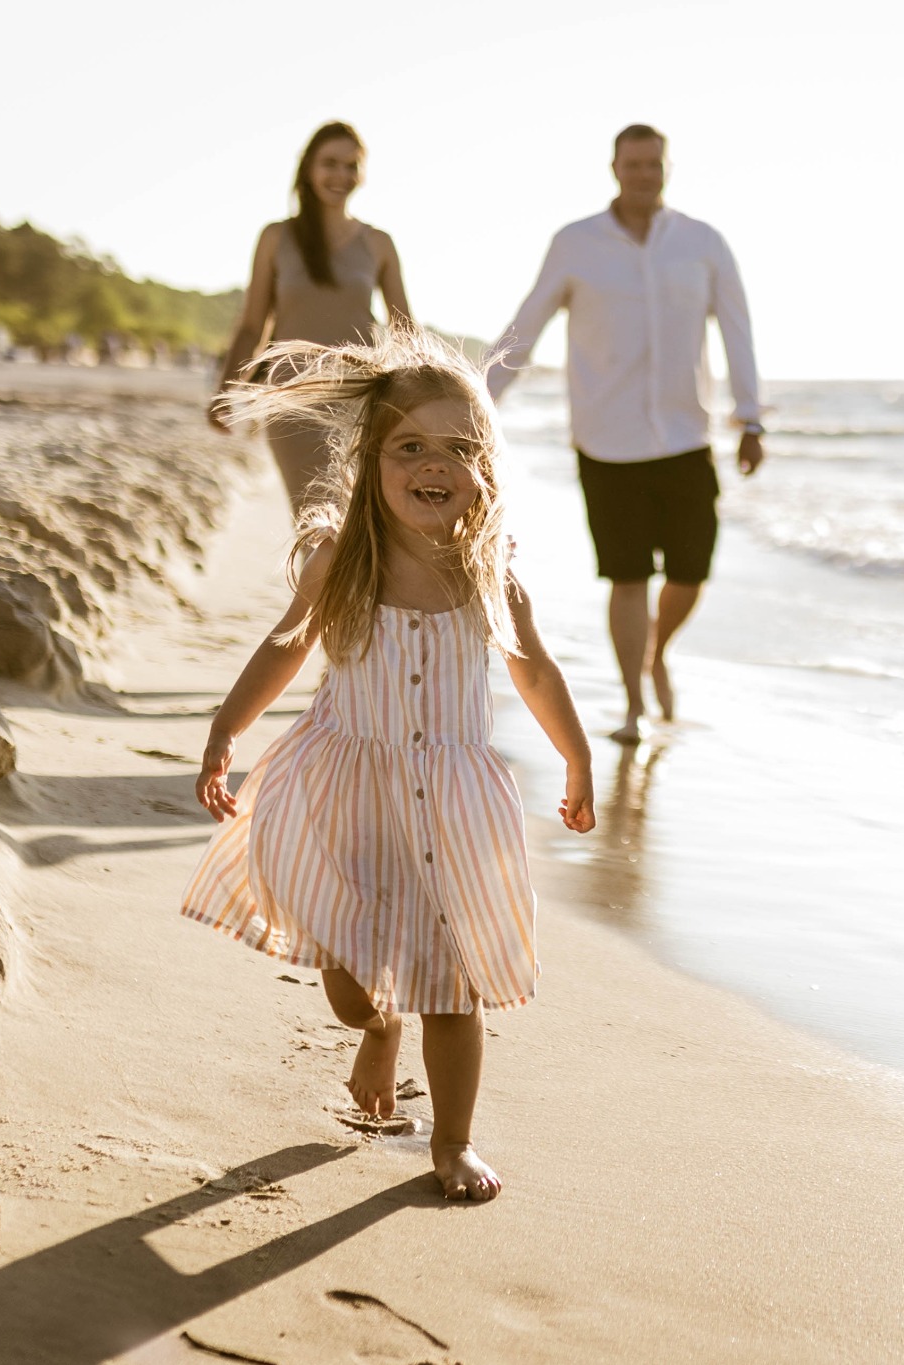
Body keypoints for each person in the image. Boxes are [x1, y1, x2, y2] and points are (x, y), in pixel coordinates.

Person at [182, 327, 596, 1201]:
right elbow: (286, 646)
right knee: (346, 984)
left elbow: (533, 669)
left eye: (457, 448)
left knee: (454, 983)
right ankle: (377, 1026)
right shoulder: (342, 560)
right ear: (373, 459)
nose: (431, 464)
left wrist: (577, 757)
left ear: (485, 468)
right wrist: (227, 728)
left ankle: (453, 1140)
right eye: (410, 446)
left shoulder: (488, 573)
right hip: (352, 794)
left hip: (453, 805)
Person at [487, 123, 764, 744]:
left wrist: (751, 417)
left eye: (654, 164)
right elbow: (526, 326)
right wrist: (477, 403)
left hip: (686, 435)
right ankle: (634, 705)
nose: (644, 174)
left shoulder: (702, 242)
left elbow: (738, 330)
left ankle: (656, 650)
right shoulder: (576, 243)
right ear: (614, 168)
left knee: (692, 571)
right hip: (606, 440)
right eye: (633, 164)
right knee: (626, 575)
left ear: (667, 167)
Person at [209, 121, 413, 510]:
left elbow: (404, 331)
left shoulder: (379, 244)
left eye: (351, 166)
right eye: (330, 163)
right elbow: (253, 324)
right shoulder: (276, 238)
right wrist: (226, 391)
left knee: (356, 524)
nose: (341, 175)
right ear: (308, 168)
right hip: (292, 402)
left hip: (360, 400)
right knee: (314, 523)